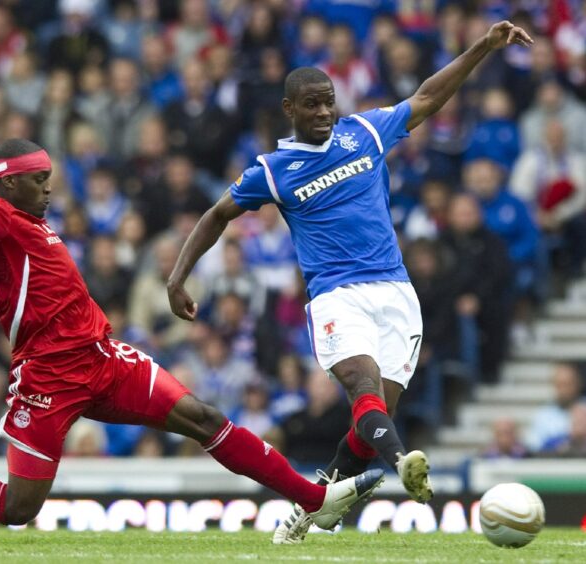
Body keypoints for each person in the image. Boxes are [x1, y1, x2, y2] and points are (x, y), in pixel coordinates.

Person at [0, 78, 383, 532]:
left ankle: (315, 501)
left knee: (202, 416)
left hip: (102, 358)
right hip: (48, 379)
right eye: (39, 182)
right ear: (10, 182)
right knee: (18, 507)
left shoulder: (26, 224)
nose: (49, 189)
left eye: (49, 179)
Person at [166, 21, 533, 545]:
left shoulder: (364, 131)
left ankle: (312, 507)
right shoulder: (273, 170)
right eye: (311, 105)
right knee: (363, 390)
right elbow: (216, 215)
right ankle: (404, 460)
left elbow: (428, 97)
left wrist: (484, 46)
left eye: (328, 102)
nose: (322, 112)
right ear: (289, 109)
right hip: (337, 294)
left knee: (374, 413)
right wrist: (178, 278)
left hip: (397, 293)